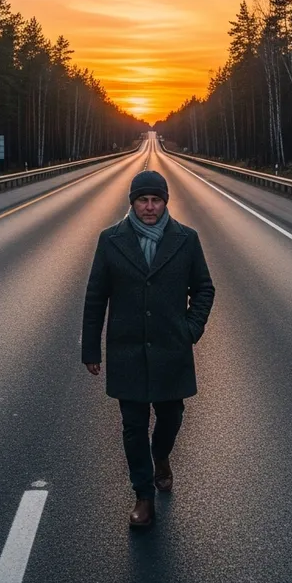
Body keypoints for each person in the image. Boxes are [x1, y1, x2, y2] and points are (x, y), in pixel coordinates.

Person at [82, 170, 215, 528]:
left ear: (165, 202)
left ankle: (162, 455)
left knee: (171, 416)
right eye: (143, 200)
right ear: (132, 202)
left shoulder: (186, 240)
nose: (150, 207)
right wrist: (91, 349)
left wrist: (188, 330)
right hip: (127, 352)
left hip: (172, 350)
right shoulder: (110, 241)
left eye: (156, 200)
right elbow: (96, 298)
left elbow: (204, 289)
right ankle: (143, 495)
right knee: (132, 426)